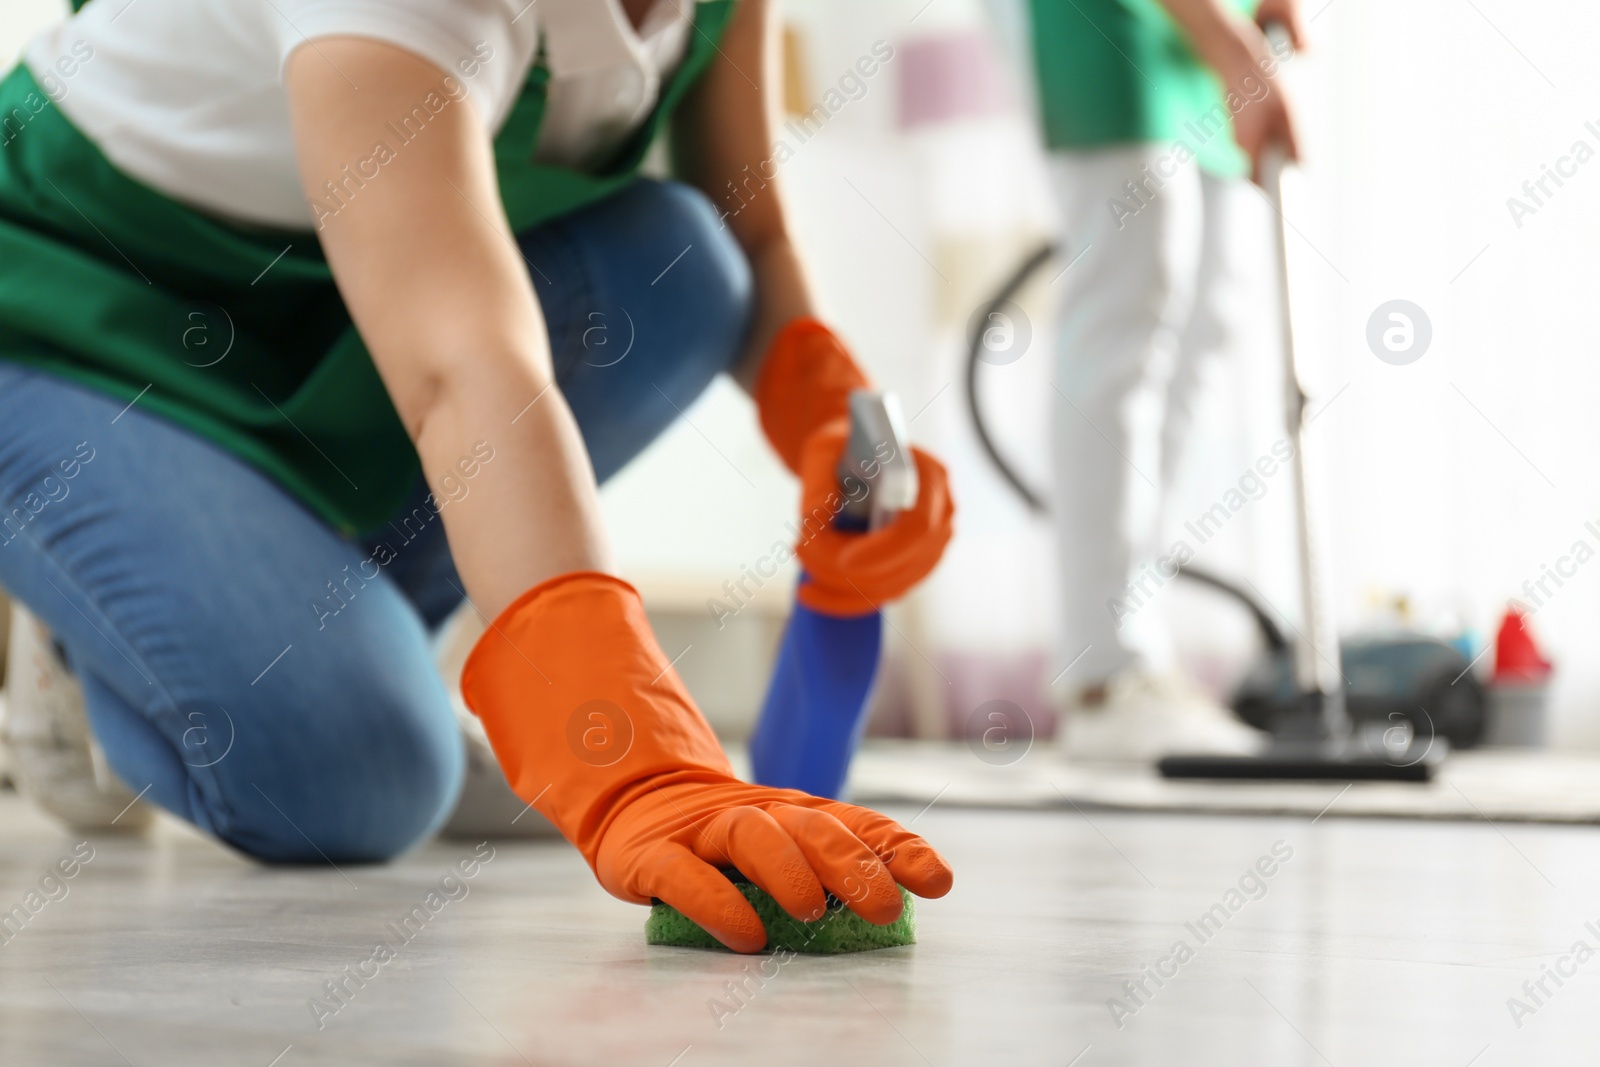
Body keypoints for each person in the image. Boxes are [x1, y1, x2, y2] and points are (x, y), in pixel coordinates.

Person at [0, 0, 955, 954]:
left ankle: (298, 623)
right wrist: (634, 746)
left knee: (682, 264)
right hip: (67, 320)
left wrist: (825, 408)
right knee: (359, 778)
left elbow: (748, 238)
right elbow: (460, 362)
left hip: (339, 322)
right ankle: (99, 629)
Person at [1024, 0, 1303, 761]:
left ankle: (1141, 650)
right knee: (1135, 281)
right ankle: (1103, 673)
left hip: (1205, 28)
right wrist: (1225, 36)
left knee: (1211, 307)